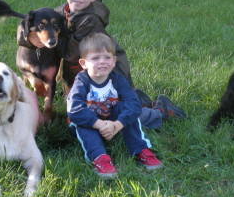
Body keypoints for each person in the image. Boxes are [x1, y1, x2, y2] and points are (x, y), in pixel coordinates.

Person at [56, 0, 186, 128]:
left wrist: (50, 43)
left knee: (113, 113)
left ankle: (161, 111)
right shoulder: (63, 12)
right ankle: (138, 99)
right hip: (89, 73)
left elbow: (71, 54)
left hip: (107, 71)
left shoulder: (91, 20)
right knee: (96, 107)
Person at [67, 33, 166, 178]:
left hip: (112, 121)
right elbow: (74, 110)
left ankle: (141, 150)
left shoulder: (117, 79)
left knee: (126, 109)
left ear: (114, 61)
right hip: (90, 122)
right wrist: (99, 124)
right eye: (95, 58)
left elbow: (134, 104)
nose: (102, 62)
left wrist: (118, 124)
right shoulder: (82, 81)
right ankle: (100, 158)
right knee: (81, 122)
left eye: (107, 57)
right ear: (83, 63)